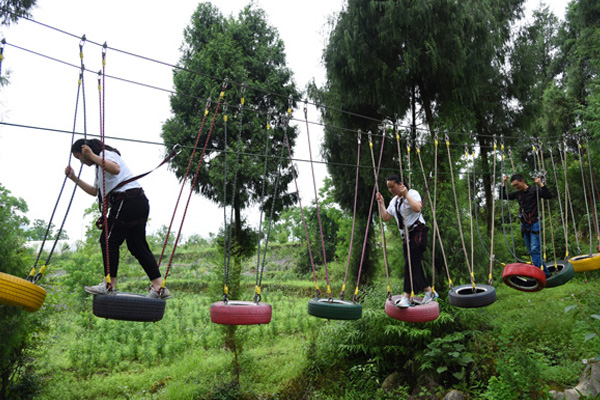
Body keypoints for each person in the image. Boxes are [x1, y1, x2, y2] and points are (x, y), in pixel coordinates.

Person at [65, 138, 171, 299]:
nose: (81, 161)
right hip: (137, 202)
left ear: (85, 150)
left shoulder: (105, 154)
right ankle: (159, 286)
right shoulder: (99, 167)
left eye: (79, 157)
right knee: (136, 245)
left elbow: (115, 169)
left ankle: (109, 284)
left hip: (127, 200)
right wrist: (74, 178)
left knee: (108, 240)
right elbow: (95, 191)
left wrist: (92, 156)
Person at [376, 175, 437, 308]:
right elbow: (386, 217)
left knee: (409, 265)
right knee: (415, 265)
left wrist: (406, 194)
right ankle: (429, 291)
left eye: (393, 186)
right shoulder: (394, 201)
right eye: (389, 187)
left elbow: (417, 208)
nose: (391, 189)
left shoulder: (413, 193)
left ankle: (407, 297)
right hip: (406, 237)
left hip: (418, 232)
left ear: (400, 184)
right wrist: (381, 203)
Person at [500, 173, 553, 277]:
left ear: (523, 181)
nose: (516, 187)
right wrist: (503, 183)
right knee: (531, 251)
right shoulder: (518, 194)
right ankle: (546, 273)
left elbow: (548, 196)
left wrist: (540, 184)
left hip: (534, 224)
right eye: (514, 186)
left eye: (517, 184)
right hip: (524, 226)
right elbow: (502, 196)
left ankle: (538, 275)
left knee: (535, 249)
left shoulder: (534, 190)